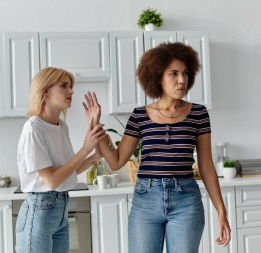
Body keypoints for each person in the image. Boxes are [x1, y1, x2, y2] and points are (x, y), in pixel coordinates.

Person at [83, 42, 231, 253]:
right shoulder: (139, 116)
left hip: (186, 201)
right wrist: (95, 125)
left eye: (185, 73)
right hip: (146, 200)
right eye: (174, 74)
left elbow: (206, 165)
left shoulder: (199, 114)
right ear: (158, 76)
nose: (182, 80)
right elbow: (116, 161)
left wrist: (221, 211)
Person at [16, 67, 107, 253]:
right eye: (64, 86)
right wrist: (85, 148)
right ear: (46, 91)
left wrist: (94, 156)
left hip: (61, 209)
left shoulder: (61, 126)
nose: (71, 91)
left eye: (71, 86)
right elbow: (51, 180)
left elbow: (66, 172)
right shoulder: (34, 128)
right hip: (40, 211)